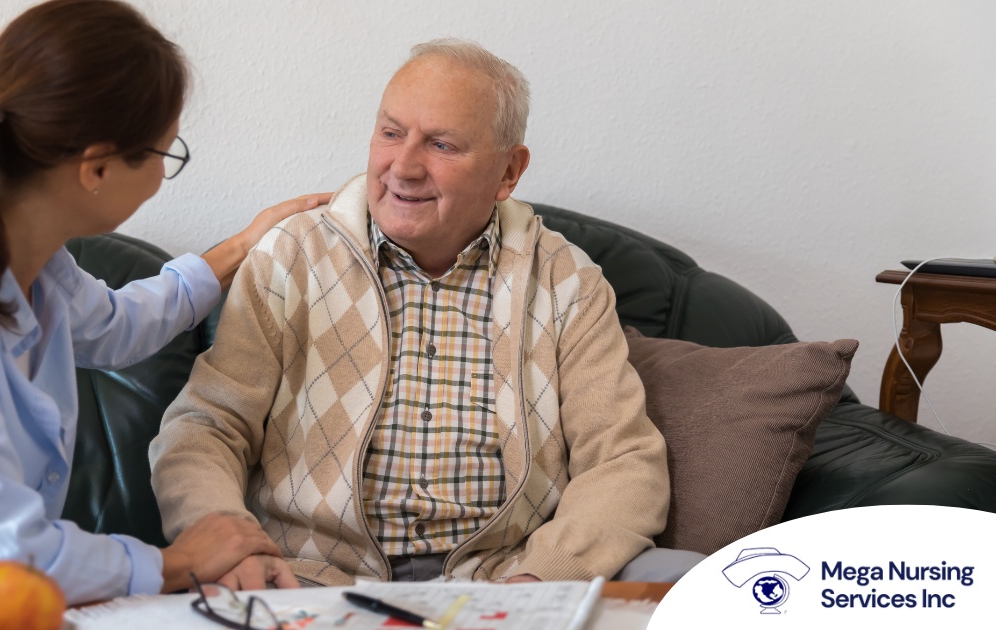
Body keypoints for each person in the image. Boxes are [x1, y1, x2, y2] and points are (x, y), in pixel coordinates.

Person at [0, 0, 317, 604]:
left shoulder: (29, 257)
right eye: (165, 154)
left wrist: (245, 245)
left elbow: (118, 328)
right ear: (95, 169)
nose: (160, 176)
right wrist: (176, 562)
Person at [150, 39, 702, 589]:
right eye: (391, 133)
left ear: (509, 171)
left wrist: (541, 579)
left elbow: (622, 459)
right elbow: (206, 428)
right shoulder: (293, 256)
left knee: (696, 583)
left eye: (441, 144)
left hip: (508, 576)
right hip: (311, 577)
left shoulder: (568, 282)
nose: (404, 167)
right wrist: (231, 545)